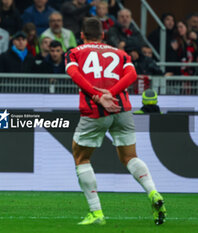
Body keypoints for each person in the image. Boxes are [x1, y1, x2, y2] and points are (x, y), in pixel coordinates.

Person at [65, 17, 166, 225]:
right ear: (103, 35)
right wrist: (112, 93)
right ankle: (154, 192)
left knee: (81, 157)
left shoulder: (75, 52)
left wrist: (98, 95)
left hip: (95, 110)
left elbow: (73, 73)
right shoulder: (120, 54)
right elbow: (132, 75)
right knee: (130, 157)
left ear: (82, 35)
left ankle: (96, 212)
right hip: (122, 109)